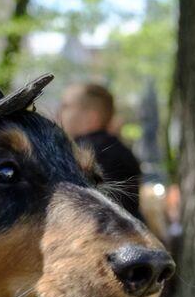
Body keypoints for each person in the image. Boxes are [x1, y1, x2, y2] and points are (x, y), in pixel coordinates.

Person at [57, 81, 143, 219]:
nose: (59, 112)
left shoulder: (80, 153)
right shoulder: (121, 150)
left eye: (66, 106)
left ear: (91, 117)